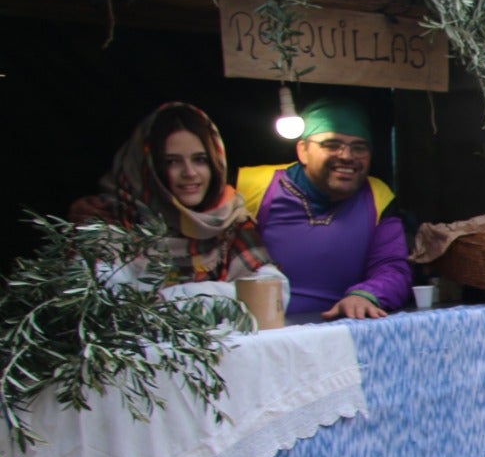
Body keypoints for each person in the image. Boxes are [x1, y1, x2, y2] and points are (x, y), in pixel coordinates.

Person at [239, 98, 411, 319]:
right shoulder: (252, 186)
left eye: (359, 148)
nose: (347, 156)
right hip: (260, 335)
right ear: (303, 150)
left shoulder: (378, 195)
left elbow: (393, 268)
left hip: (339, 334)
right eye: (332, 145)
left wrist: (366, 295)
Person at [74, 102, 274, 283]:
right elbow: (102, 299)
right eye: (172, 162)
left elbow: (269, 286)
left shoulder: (230, 218)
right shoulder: (109, 219)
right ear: (147, 168)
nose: (189, 173)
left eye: (200, 159)